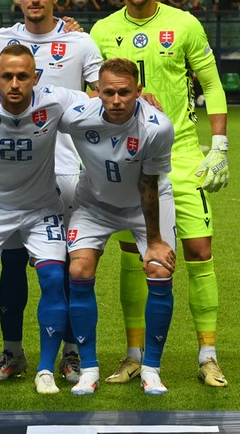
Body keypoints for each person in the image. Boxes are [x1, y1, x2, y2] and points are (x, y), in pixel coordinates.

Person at [90, 0, 230, 388]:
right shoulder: (102, 30)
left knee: (199, 252)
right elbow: (89, 90)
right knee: (135, 256)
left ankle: (207, 354)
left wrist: (220, 145)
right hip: (130, 158)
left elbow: (211, 82)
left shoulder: (183, 24)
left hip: (184, 156)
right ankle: (134, 356)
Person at [0, 0, 102, 384]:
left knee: (64, 270)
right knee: (11, 267)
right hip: (11, 175)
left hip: (66, 171)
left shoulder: (81, 42)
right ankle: (12, 352)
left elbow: (102, 97)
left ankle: (69, 354)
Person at [0, 44, 85, 396]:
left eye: (22, 76)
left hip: (41, 208)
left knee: (54, 278)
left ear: (35, 77)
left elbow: (103, 101)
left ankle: (45, 370)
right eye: (6, 76)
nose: (14, 83)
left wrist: (143, 99)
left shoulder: (56, 98)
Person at [60, 57, 177, 395]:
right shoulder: (77, 116)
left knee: (159, 269)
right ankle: (89, 368)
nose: (116, 100)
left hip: (146, 206)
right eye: (108, 92)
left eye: (125, 93)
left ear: (139, 92)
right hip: (94, 203)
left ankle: (151, 368)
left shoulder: (157, 127)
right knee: (79, 270)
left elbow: (149, 185)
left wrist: (154, 241)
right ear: (96, 90)